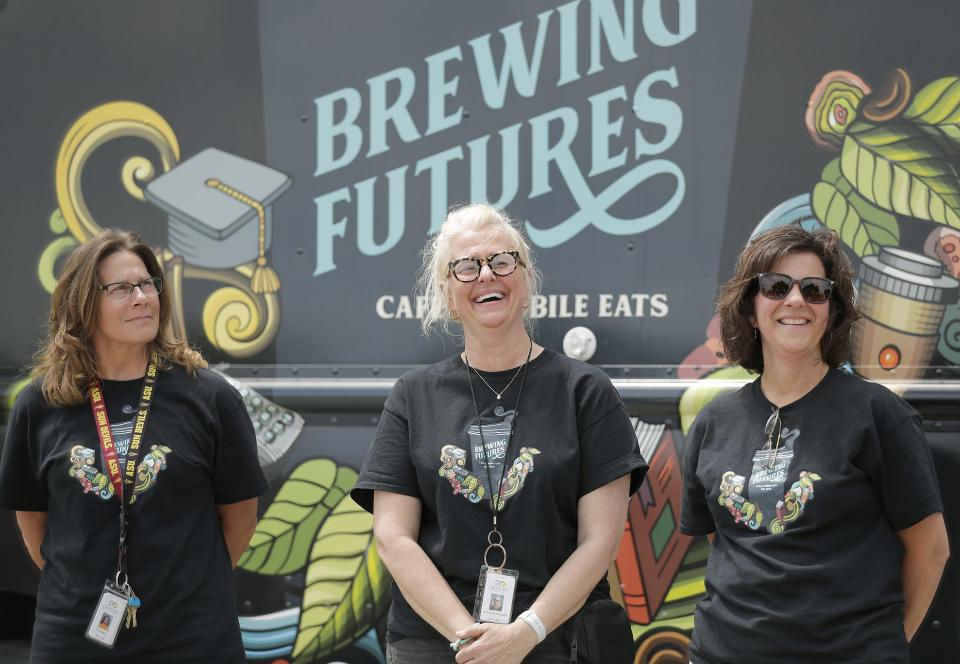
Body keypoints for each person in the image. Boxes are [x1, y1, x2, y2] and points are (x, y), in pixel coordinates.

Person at [351, 203, 647, 664]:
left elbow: (600, 541)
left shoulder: (585, 391)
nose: (486, 275)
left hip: (557, 639)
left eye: (502, 261)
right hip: (437, 642)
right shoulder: (413, 396)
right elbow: (392, 537)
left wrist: (524, 633)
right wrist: (470, 639)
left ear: (525, 280)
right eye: (467, 267)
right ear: (448, 295)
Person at [680, 224, 950, 664]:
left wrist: (884, 646)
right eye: (776, 286)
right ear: (750, 309)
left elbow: (931, 550)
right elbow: (728, 541)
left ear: (832, 310)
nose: (796, 300)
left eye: (815, 289)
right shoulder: (714, 422)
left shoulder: (878, 414)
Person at [0, 229, 268, 663]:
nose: (143, 297)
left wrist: (185, 590)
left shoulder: (210, 398)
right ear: (83, 305)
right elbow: (34, 523)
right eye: (122, 288)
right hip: (74, 638)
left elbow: (240, 520)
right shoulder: (41, 403)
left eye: (147, 284)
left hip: (192, 637)